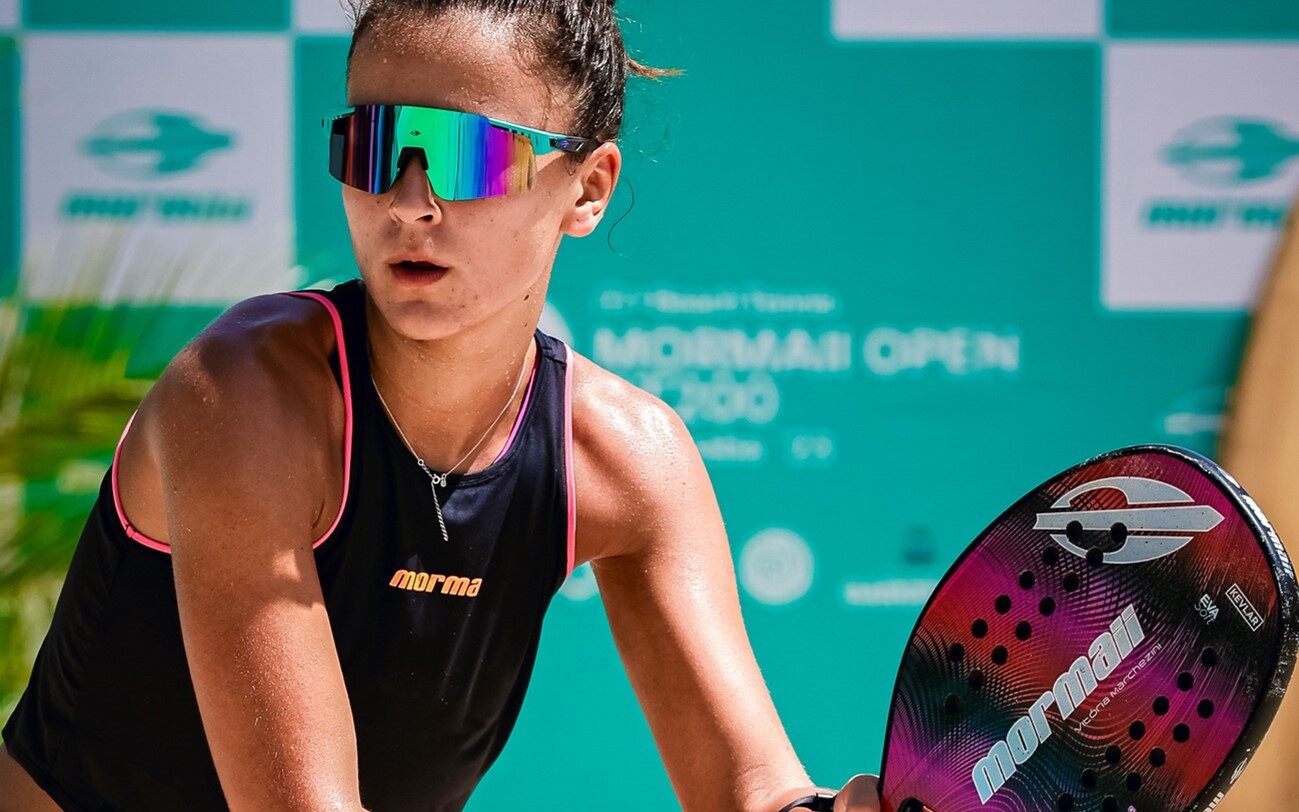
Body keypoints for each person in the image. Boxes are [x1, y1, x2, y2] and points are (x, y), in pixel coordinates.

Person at [0, 1, 881, 809]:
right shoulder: (240, 395)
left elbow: (753, 788)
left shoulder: (628, 458)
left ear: (587, 187)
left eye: (468, 155)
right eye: (373, 147)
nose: (410, 201)